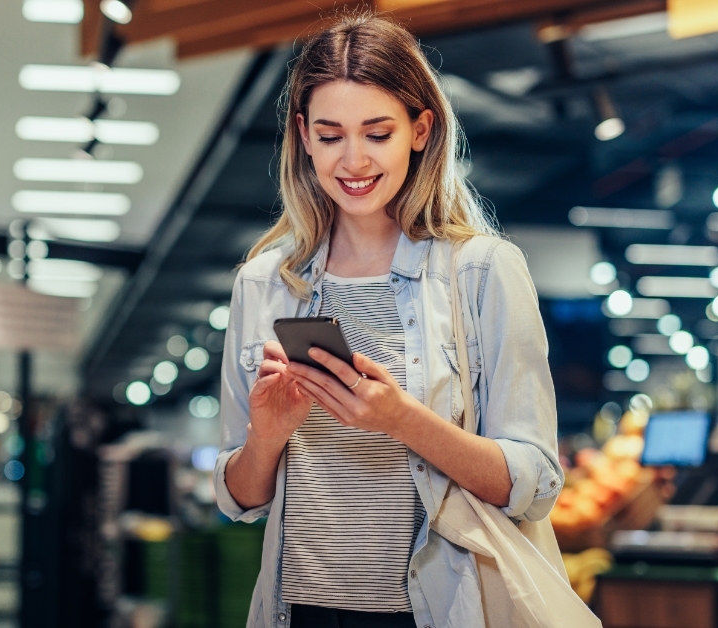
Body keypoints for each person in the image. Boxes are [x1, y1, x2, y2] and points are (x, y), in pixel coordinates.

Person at [213, 12, 563, 628]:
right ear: (303, 136)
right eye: (330, 135)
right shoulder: (263, 283)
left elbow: (534, 481)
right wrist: (266, 436)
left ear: (420, 129)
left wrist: (401, 419)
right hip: (299, 609)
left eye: (378, 134)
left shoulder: (483, 272)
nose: (353, 161)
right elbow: (241, 499)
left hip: (435, 610)